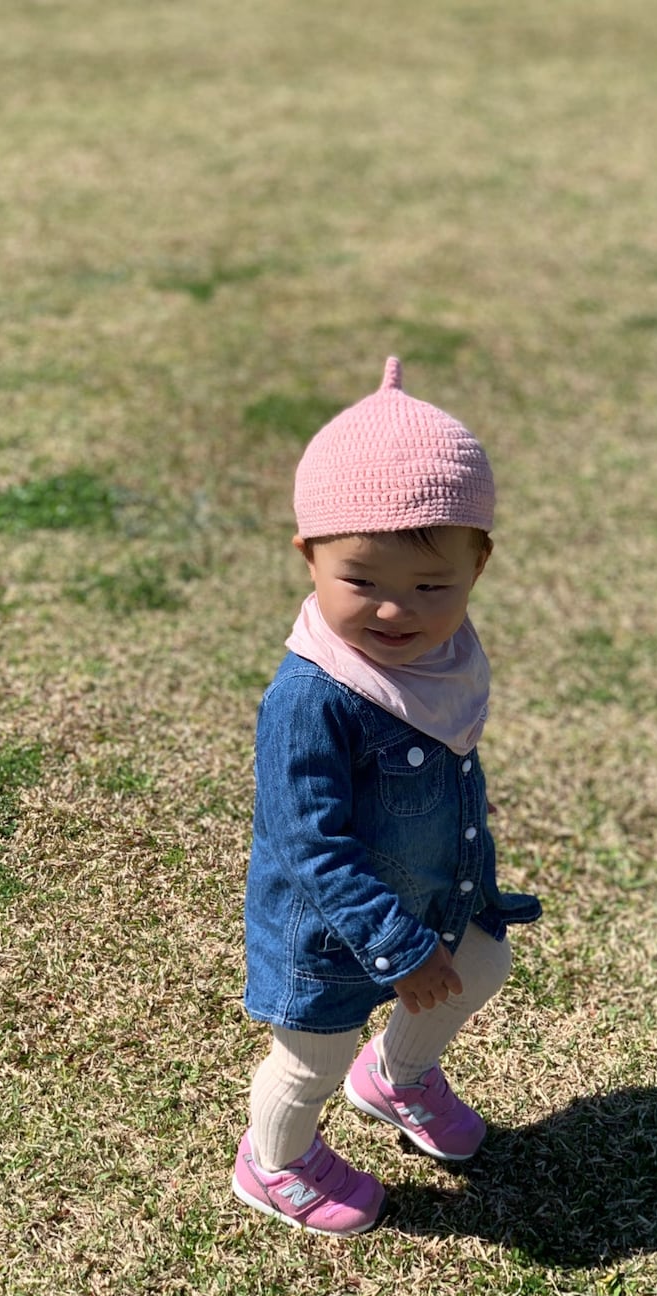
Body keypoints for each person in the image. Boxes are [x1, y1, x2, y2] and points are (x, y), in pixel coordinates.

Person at [232, 356, 541, 1235]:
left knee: (483, 964)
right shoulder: (311, 698)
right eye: (361, 582)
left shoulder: (445, 660)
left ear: (478, 565)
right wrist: (397, 948)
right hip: (335, 929)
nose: (396, 612)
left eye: (430, 586)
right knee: (311, 1058)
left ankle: (396, 1077)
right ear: (310, 556)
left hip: (436, 890)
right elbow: (311, 845)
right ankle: (274, 1163)